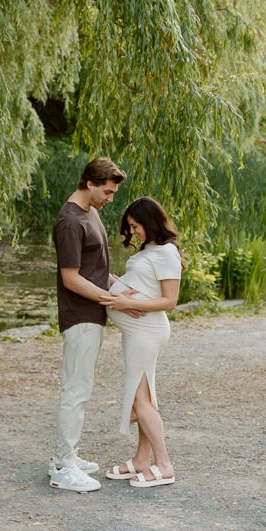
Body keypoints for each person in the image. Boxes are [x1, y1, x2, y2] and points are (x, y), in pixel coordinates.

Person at [49, 156, 127, 494]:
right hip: (79, 316)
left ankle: (65, 456)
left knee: (81, 387)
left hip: (92, 313)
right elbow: (70, 279)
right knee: (76, 391)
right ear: (89, 184)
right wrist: (110, 300)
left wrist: (121, 286)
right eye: (107, 192)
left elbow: (94, 269)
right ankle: (64, 467)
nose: (110, 199)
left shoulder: (91, 213)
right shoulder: (70, 221)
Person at [105, 196, 184, 489]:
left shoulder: (166, 252)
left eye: (135, 226)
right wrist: (112, 284)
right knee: (145, 397)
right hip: (137, 332)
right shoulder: (151, 249)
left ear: (150, 222)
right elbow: (137, 285)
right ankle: (141, 460)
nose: (133, 232)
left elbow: (170, 300)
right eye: (130, 227)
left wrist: (124, 302)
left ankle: (164, 465)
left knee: (140, 399)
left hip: (147, 330)